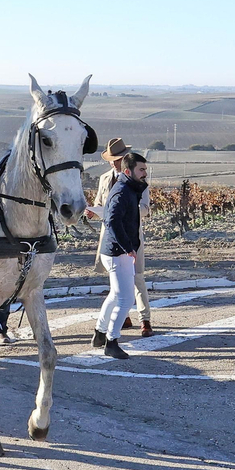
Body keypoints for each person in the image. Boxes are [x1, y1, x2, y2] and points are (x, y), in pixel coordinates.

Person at [91, 151, 149, 359]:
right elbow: (112, 221)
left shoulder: (129, 189)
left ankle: (99, 333)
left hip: (116, 251)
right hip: (118, 253)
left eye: (145, 169)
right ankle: (111, 341)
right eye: (141, 170)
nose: (145, 174)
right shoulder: (123, 191)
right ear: (128, 171)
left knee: (116, 295)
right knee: (126, 299)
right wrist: (128, 247)